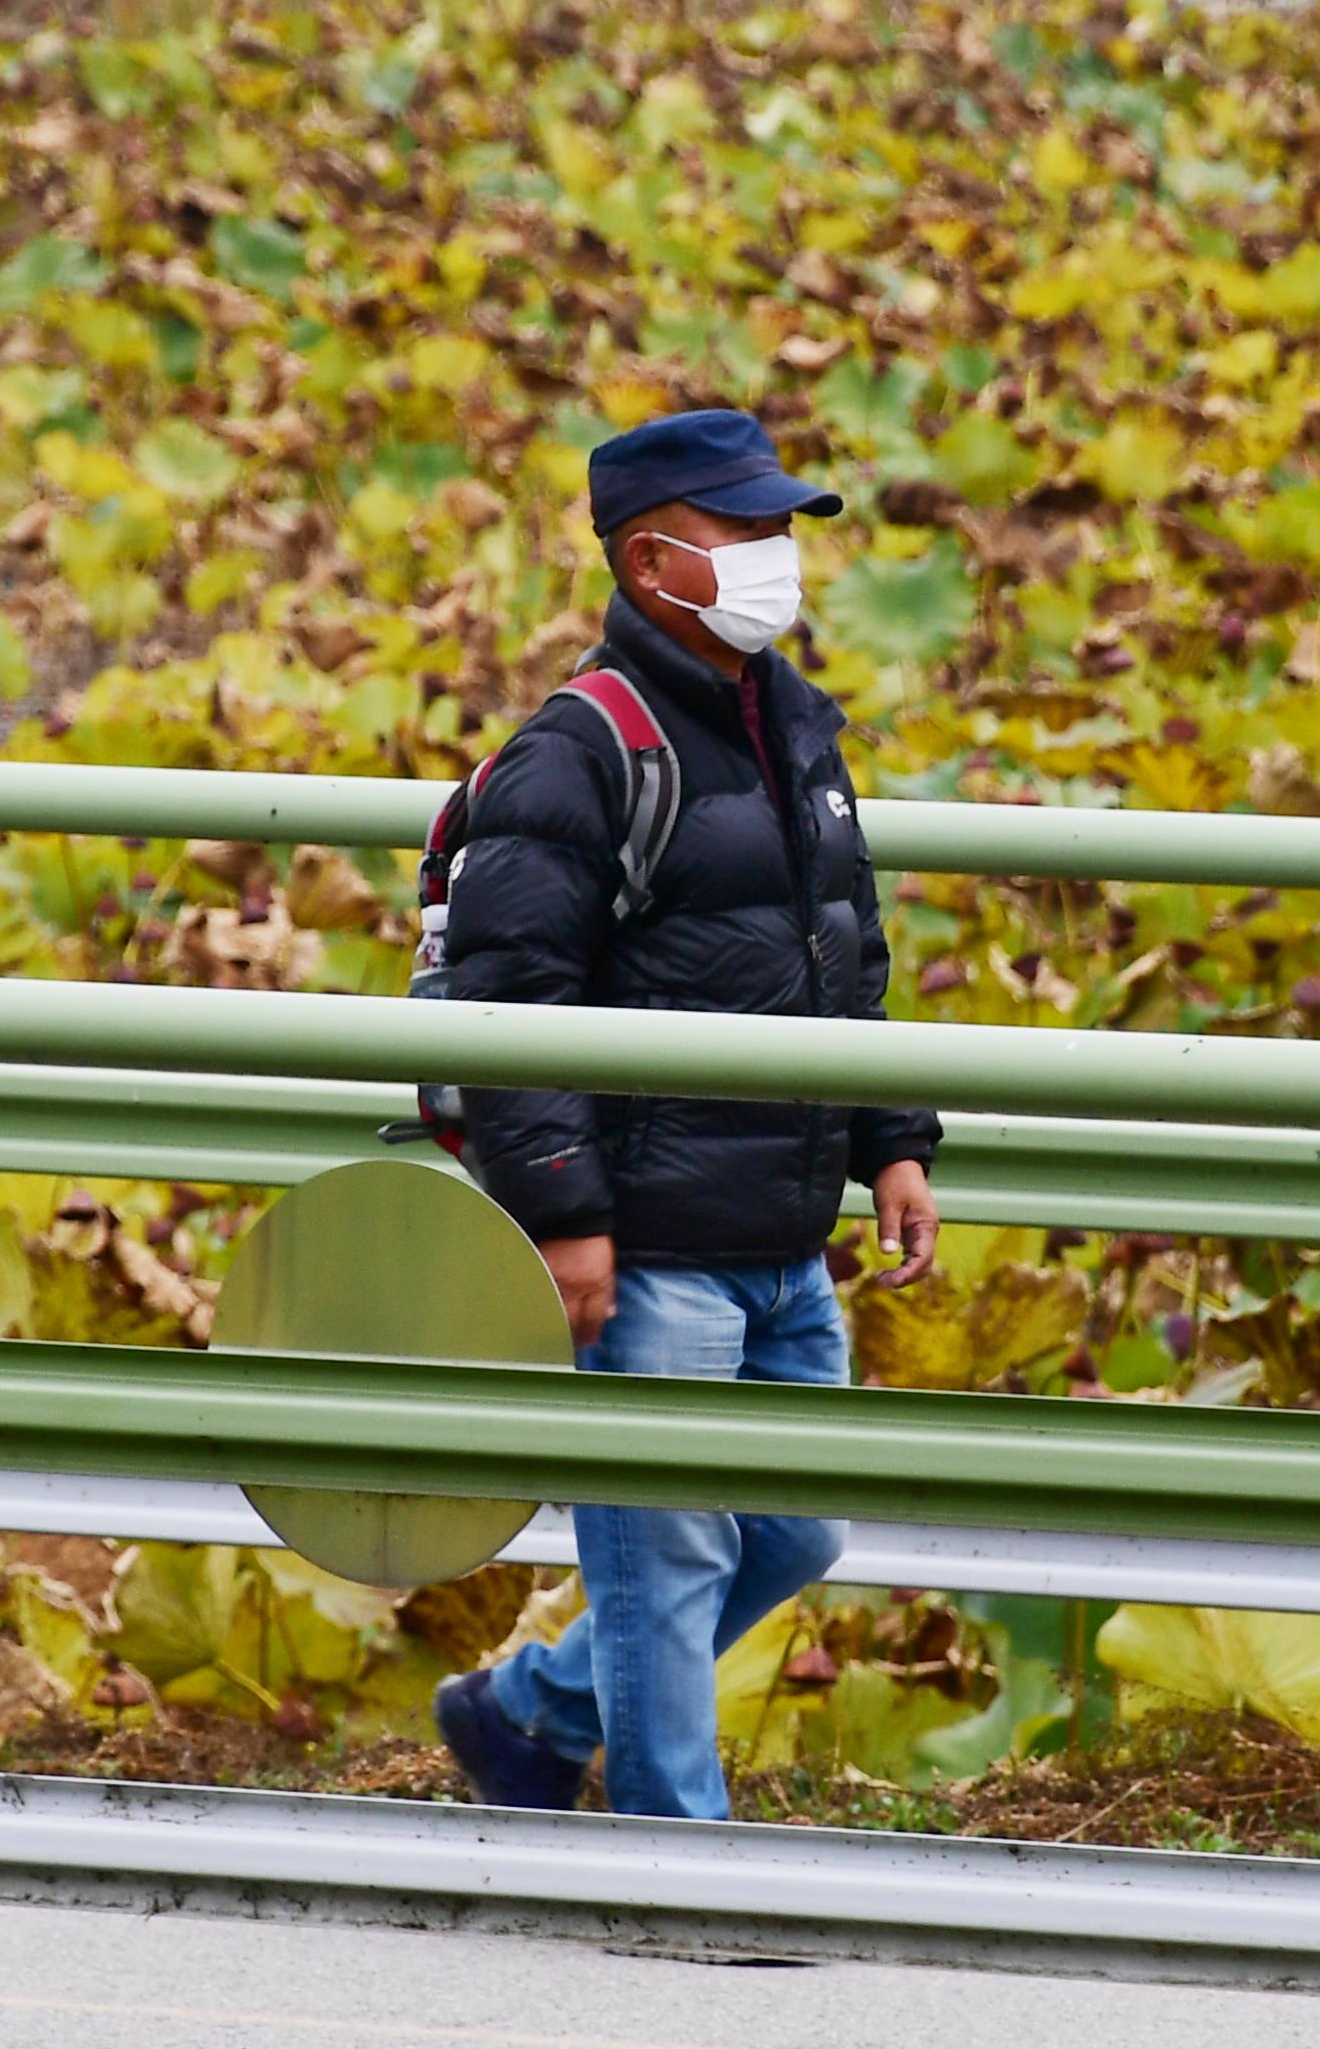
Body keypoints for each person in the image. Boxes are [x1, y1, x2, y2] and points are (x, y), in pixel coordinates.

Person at [429, 406, 943, 1822]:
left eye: (785, 528)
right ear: (655, 563)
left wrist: (890, 1137)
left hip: (782, 1230)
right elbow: (506, 999)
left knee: (790, 1530)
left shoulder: (792, 728)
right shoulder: (580, 752)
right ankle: (677, 1855)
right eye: (751, 531)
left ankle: (527, 1714)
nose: (782, 556)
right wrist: (570, 1217)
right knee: (664, 1568)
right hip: (652, 1238)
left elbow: (847, 953)